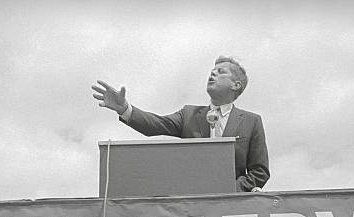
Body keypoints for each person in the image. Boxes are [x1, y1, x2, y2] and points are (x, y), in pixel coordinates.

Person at [91, 56, 269, 192]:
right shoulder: (189, 114)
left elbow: (259, 171)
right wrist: (124, 109)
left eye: (221, 71)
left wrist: (230, 190)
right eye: (212, 71)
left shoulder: (252, 121)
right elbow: (155, 125)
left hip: (230, 208)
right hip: (189, 205)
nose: (212, 73)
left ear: (236, 85)